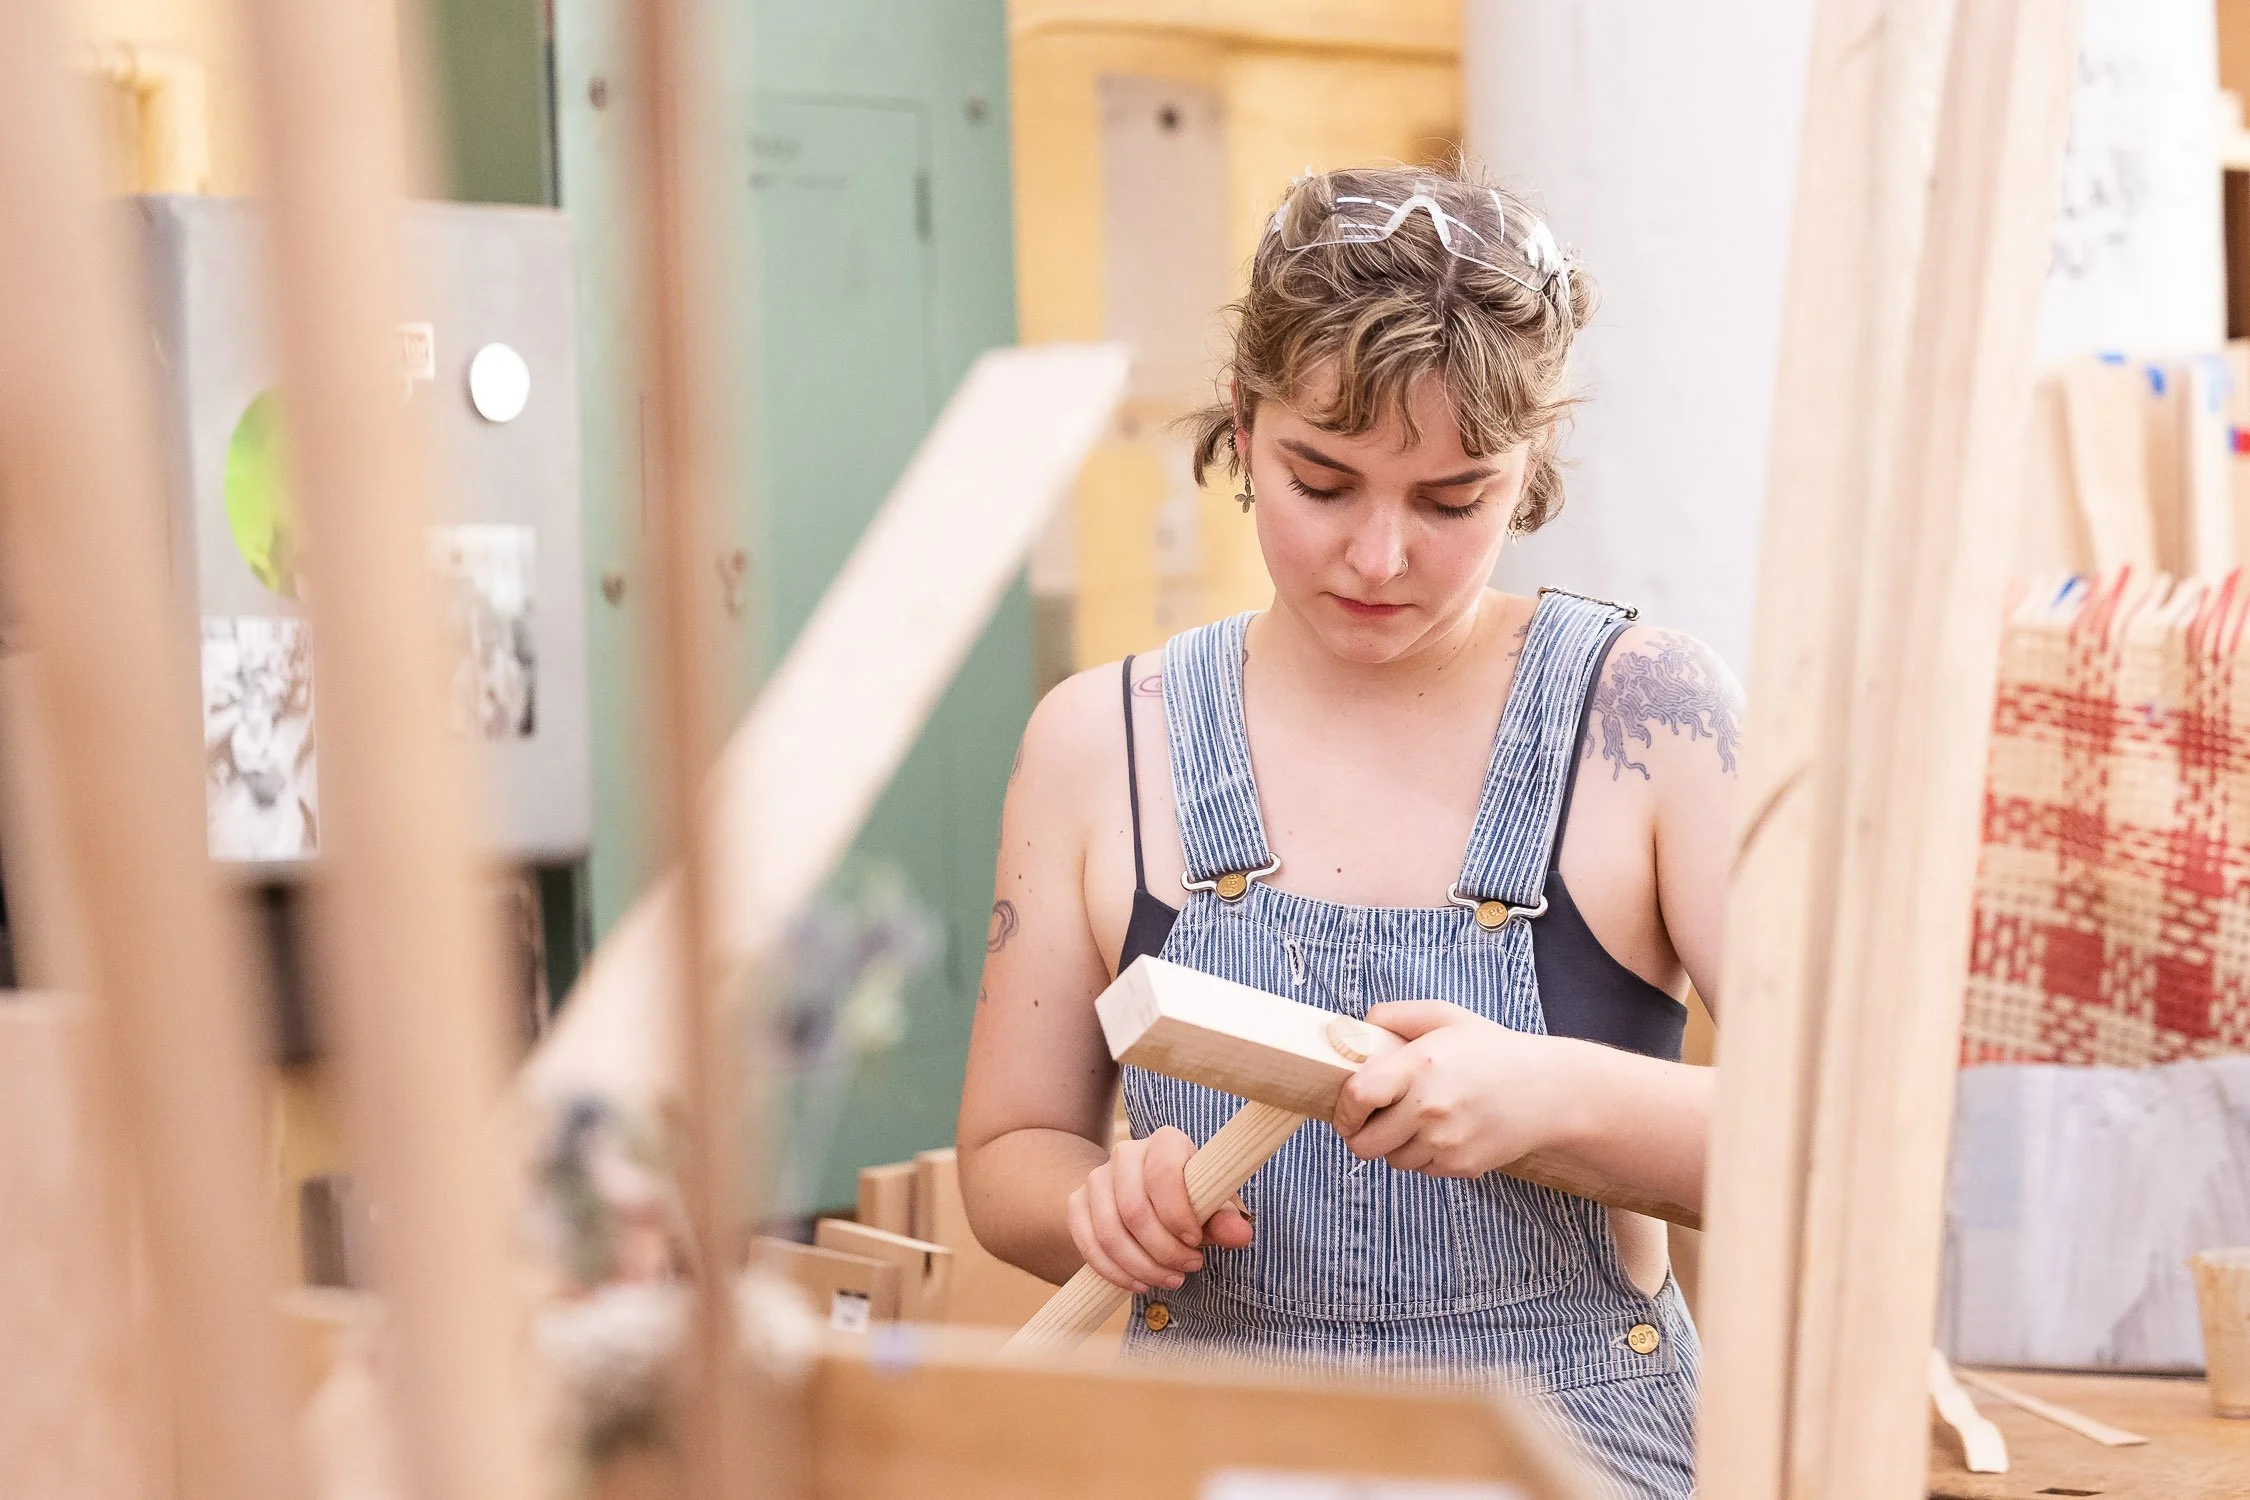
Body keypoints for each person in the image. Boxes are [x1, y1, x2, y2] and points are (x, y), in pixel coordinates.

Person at [955, 161, 1738, 1498]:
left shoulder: (1648, 717)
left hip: (1568, 1457)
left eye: (1451, 501)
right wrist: (1103, 1205)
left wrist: (1554, 1097)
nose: (1380, 558)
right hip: (1213, 1451)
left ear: (1529, 462)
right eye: (1323, 480)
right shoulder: (1101, 742)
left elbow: (1838, 1156)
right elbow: (1007, 1153)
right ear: (1243, 427)